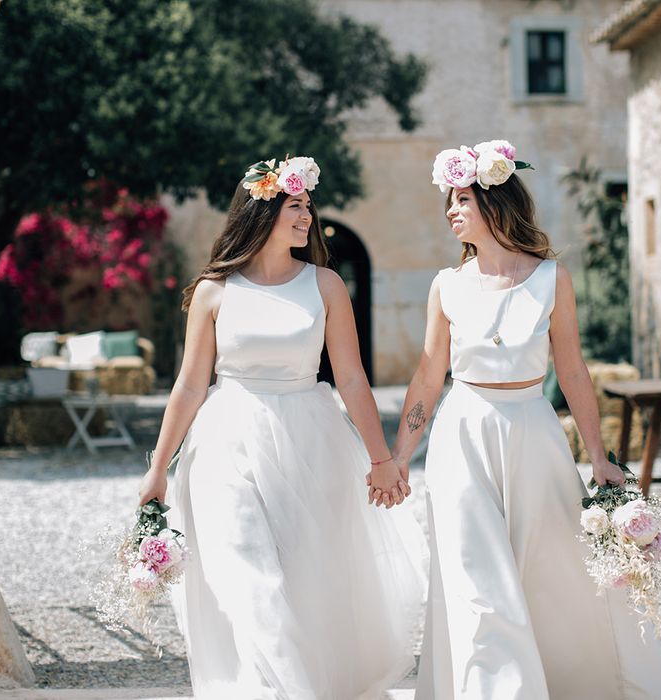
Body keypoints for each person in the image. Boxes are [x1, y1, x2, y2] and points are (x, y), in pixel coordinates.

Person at [376, 141, 661, 699]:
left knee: (548, 573)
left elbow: (572, 372)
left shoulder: (551, 279)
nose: (451, 211)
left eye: (462, 199)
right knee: (477, 580)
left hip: (533, 434)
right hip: (463, 436)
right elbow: (427, 380)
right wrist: (400, 457)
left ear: (494, 203)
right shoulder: (445, 286)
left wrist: (598, 459)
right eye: (450, 200)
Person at [138, 156, 424, 699]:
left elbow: (353, 379)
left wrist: (381, 459)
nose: (308, 217)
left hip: (309, 440)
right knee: (247, 575)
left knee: (302, 580)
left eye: (307, 207)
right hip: (226, 440)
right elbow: (190, 385)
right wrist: (157, 468)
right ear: (264, 209)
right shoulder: (214, 290)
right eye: (297, 206)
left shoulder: (325, 285)